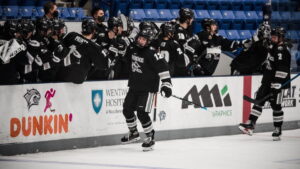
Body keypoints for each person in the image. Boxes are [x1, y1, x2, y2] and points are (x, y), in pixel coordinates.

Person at [120, 27, 172, 151]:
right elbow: (125, 59)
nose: (140, 41)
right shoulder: (133, 48)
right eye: (140, 38)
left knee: (142, 113)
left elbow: (164, 69)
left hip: (148, 89)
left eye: (144, 39)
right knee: (127, 110)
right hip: (133, 86)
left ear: (149, 41)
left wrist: (166, 84)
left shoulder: (153, 53)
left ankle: (150, 138)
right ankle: (133, 133)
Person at [239, 27, 291, 141]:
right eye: (272, 37)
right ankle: (251, 124)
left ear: (281, 38)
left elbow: (283, 68)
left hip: (278, 84)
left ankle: (278, 129)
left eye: (275, 37)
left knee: (276, 106)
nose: (272, 39)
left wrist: (277, 84)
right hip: (267, 81)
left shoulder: (282, 50)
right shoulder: (273, 46)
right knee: (259, 101)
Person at [55, 19, 108, 84]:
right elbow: (103, 66)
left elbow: (59, 48)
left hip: (60, 76)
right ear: (94, 31)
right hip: (76, 81)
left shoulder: (72, 35)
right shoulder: (93, 47)